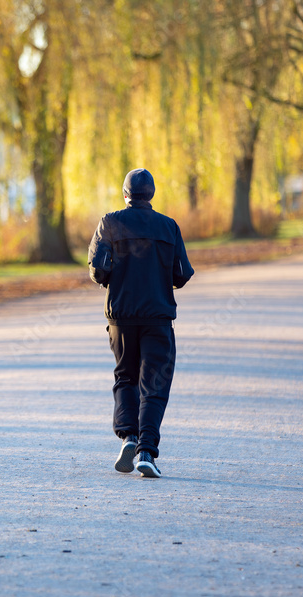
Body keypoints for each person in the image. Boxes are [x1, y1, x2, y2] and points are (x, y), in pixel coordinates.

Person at [87, 168, 194, 478]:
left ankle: (128, 436)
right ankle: (146, 451)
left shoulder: (109, 222)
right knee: (154, 384)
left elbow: (97, 271)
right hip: (158, 318)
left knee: (125, 377)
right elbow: (182, 274)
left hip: (120, 317)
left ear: (125, 195)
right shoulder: (168, 227)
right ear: (151, 195)